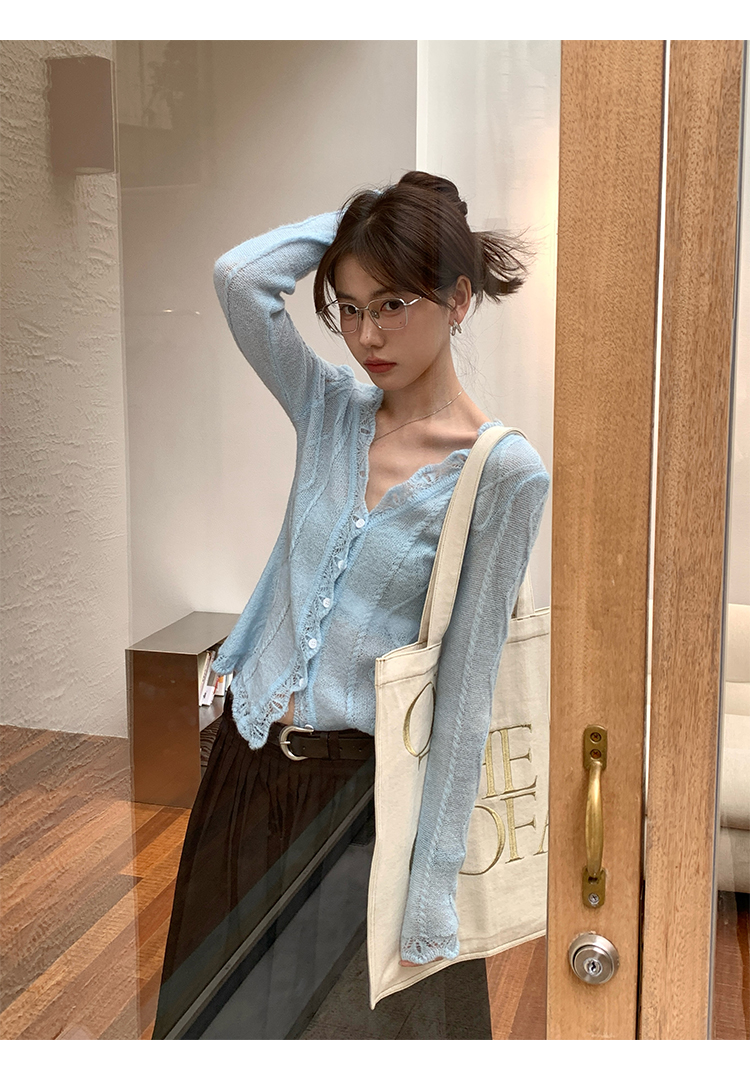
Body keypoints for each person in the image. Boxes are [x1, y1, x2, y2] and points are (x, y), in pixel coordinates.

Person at [152, 171, 550, 1040]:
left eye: (395, 304)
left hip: (364, 803)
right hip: (247, 769)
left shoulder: (503, 474)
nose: (367, 335)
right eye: (350, 307)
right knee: (220, 1027)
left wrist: (433, 883)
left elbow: (467, 690)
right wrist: (358, 223)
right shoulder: (330, 408)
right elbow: (239, 278)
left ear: (459, 299)